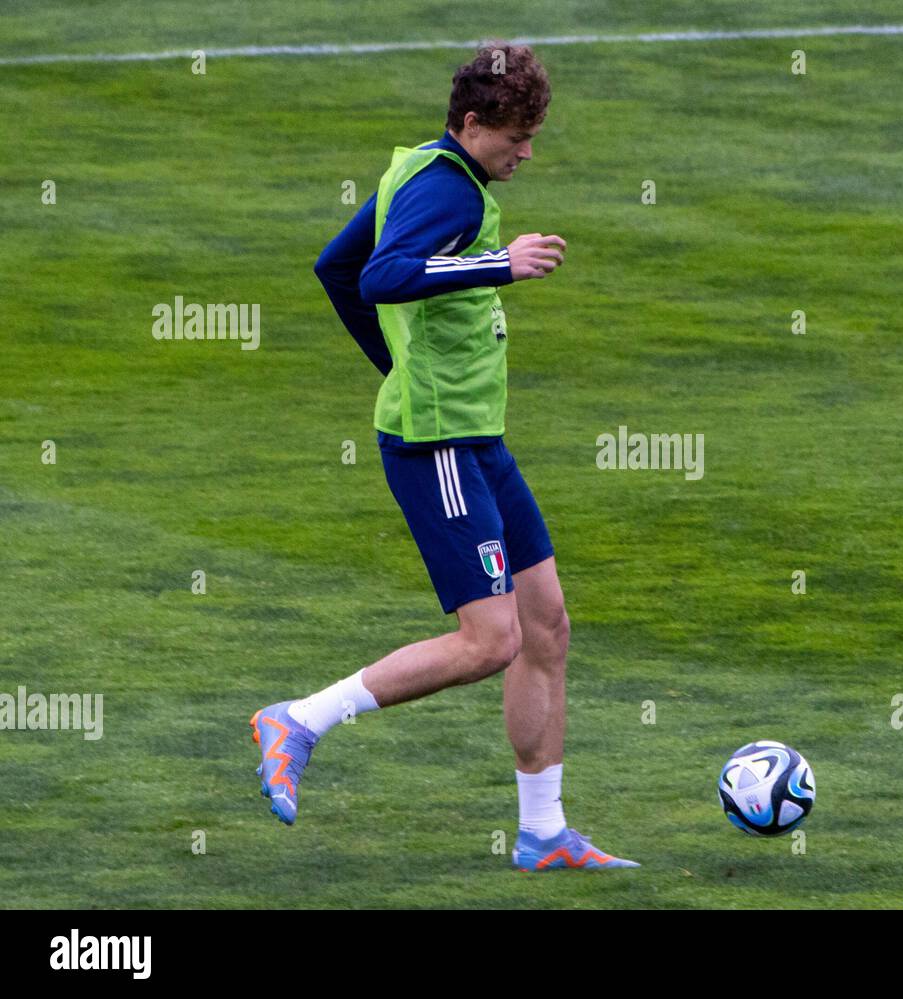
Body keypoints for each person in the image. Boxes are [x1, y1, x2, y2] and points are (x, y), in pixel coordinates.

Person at [251, 42, 637, 872]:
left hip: (475, 436)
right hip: (439, 447)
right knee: (489, 638)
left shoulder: (425, 166)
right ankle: (301, 718)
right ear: (470, 124)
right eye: (514, 136)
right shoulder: (440, 188)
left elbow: (336, 268)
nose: (526, 151)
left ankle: (543, 832)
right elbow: (384, 275)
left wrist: (401, 369)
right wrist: (504, 263)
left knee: (546, 624)